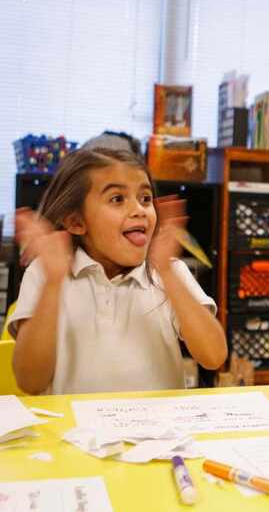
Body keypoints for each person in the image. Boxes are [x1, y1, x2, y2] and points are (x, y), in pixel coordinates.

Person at [9, 147, 227, 395]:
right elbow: (30, 382)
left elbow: (214, 356)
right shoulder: (46, 272)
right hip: (76, 432)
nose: (139, 210)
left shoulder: (168, 271)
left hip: (159, 431)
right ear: (76, 221)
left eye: (145, 199)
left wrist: (167, 271)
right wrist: (52, 284)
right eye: (117, 199)